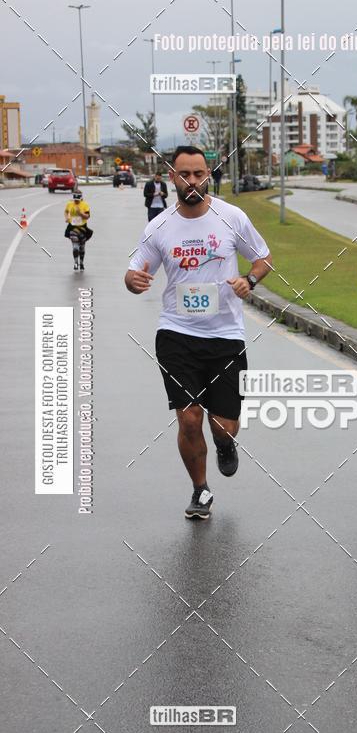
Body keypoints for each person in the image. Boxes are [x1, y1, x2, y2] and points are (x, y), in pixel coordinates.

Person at [125, 146, 273, 520]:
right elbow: (134, 271)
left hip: (226, 336)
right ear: (171, 177)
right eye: (185, 174)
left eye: (199, 174)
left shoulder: (231, 217)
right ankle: (200, 490)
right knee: (189, 417)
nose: (192, 181)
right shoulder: (159, 226)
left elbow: (263, 258)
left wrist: (250, 279)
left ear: (208, 175)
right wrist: (133, 280)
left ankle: (224, 445)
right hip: (176, 333)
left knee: (223, 426)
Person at [64, 191, 92, 270]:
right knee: (75, 247)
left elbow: (87, 216)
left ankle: (81, 263)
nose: (76, 201)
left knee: (82, 248)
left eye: (77, 199)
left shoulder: (85, 205)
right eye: (75, 199)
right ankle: (76, 262)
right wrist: (66, 218)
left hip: (82, 228)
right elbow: (66, 211)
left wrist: (81, 213)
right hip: (72, 228)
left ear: (81, 198)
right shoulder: (70, 204)